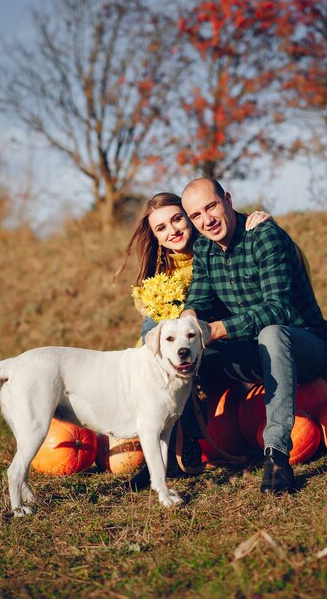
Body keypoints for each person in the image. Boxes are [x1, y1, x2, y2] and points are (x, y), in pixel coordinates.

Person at [180, 177, 327, 494]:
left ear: (227, 199)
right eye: (196, 215)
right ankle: (185, 445)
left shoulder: (264, 235)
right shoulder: (205, 250)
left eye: (210, 207)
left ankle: (276, 456)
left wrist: (219, 329)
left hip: (302, 349)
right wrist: (188, 323)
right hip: (253, 356)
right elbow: (198, 300)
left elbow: (278, 309)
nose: (206, 220)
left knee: (272, 332)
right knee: (186, 350)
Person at [114, 191, 272, 476]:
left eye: (177, 219)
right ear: (155, 236)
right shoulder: (155, 276)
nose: (172, 230)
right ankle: (171, 447)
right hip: (184, 360)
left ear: (191, 216)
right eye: (161, 227)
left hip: (228, 344)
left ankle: (180, 444)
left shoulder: (214, 247)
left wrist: (258, 220)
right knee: (153, 330)